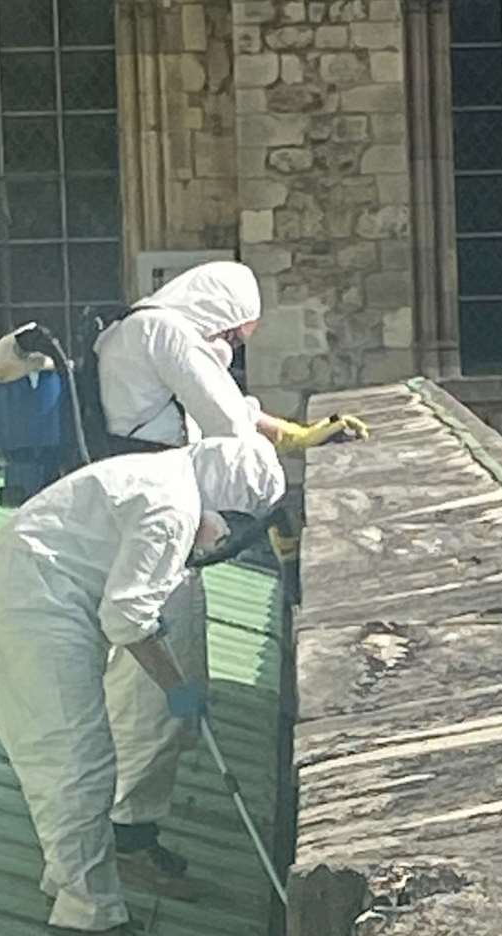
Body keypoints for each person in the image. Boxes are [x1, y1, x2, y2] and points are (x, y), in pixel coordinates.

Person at [92, 261, 366, 892]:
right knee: (160, 686)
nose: (234, 348)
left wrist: (293, 434)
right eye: (237, 337)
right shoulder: (167, 334)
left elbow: (222, 406)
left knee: (158, 681)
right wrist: (274, 506)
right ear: (216, 313)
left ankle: (125, 825)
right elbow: (228, 427)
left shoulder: (146, 330)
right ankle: (128, 837)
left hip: (144, 507)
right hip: (152, 516)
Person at [0, 436, 285, 936]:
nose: (222, 538)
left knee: (74, 755)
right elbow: (126, 618)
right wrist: (177, 687)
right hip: (37, 599)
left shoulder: (168, 475)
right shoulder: (173, 509)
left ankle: (72, 880)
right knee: (75, 757)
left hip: (38, 586)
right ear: (225, 497)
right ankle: (85, 915)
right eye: (230, 523)